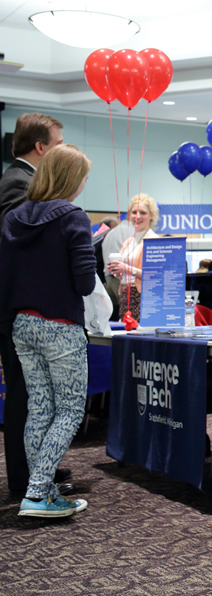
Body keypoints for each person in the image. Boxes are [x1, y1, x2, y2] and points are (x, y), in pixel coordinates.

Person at [0, 143, 93, 517]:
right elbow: (85, 282)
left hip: (22, 325)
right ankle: (38, 493)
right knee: (70, 411)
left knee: (39, 409)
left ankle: (39, 489)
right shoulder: (73, 217)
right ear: (74, 178)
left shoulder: (14, 218)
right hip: (61, 326)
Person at [108, 194, 160, 322]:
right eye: (134, 212)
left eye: (143, 213)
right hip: (126, 295)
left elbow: (156, 275)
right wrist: (117, 271)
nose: (138, 216)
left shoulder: (154, 241)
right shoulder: (128, 242)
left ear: (152, 215)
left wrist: (127, 269)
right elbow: (123, 273)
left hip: (143, 297)